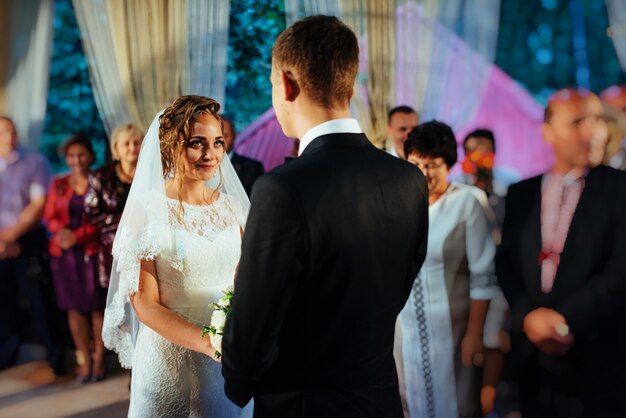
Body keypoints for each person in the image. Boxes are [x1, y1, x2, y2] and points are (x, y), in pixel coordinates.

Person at [221, 15, 429, 418]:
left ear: (286, 83)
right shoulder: (408, 180)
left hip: (304, 403)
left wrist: (237, 379)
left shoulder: (282, 188)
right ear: (348, 84)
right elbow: (397, 288)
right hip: (380, 398)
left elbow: (254, 329)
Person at [102, 95, 252, 417]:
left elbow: (247, 281)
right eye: (197, 143)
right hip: (169, 361)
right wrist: (211, 343)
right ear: (171, 145)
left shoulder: (233, 208)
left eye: (217, 142)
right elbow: (144, 304)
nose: (210, 154)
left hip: (227, 361)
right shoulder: (148, 210)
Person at [497, 87, 626, 417]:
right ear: (548, 132)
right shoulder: (521, 193)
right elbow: (507, 262)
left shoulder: (618, 189)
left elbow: (620, 270)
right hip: (532, 358)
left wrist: (563, 320)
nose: (593, 131)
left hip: (596, 352)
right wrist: (528, 316)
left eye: (597, 120)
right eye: (578, 121)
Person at [397, 121, 498, 418]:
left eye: (433, 165)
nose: (424, 173)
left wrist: (475, 334)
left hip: (453, 331)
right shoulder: (402, 204)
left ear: (449, 164)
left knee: (455, 404)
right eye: (416, 164)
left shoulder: (468, 201)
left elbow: (483, 274)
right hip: (405, 333)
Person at [0, 116, 64, 373]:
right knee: (3, 302)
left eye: (12, 130)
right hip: (1, 243)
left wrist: (10, 237)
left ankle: (56, 356)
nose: (9, 136)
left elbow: (39, 204)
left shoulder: (35, 162)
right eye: (3, 131)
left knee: (40, 300)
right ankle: (6, 355)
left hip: (27, 240)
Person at [43, 134, 106, 382]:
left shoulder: (99, 181)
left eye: (81, 154)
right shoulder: (59, 183)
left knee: (97, 308)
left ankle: (100, 361)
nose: (76, 160)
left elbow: (101, 218)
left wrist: (78, 235)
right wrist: (62, 232)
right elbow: (49, 214)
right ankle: (85, 362)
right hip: (65, 255)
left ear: (90, 156)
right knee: (74, 308)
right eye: (71, 155)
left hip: (91, 250)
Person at [85, 123, 143, 288]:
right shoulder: (101, 176)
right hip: (113, 247)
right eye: (127, 143)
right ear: (116, 148)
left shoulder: (151, 174)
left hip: (144, 247)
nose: (132, 147)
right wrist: (126, 222)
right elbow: (91, 212)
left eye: (136, 142)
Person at [221, 116, 265, 196]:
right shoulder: (197, 167)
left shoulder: (253, 168)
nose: (220, 141)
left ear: (234, 136)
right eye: (215, 136)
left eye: (225, 136)